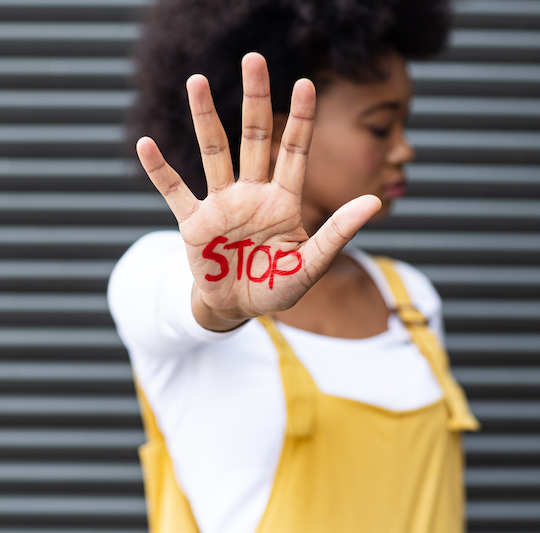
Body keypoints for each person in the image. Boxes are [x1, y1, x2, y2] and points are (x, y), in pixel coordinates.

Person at [108, 0, 479, 532]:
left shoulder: (411, 299)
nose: (405, 150)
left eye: (406, 122)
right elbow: (173, 303)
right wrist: (218, 303)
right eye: (380, 127)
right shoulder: (156, 271)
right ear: (284, 135)